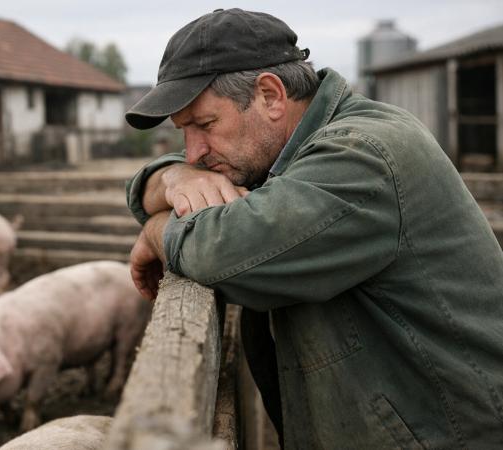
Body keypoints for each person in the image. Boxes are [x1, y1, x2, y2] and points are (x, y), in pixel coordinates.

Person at [124, 8, 503, 449]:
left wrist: (156, 231)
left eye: (205, 125)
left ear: (270, 96)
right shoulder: (286, 150)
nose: (193, 152)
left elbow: (222, 252)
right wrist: (170, 179)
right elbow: (161, 181)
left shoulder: (360, 156)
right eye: (183, 132)